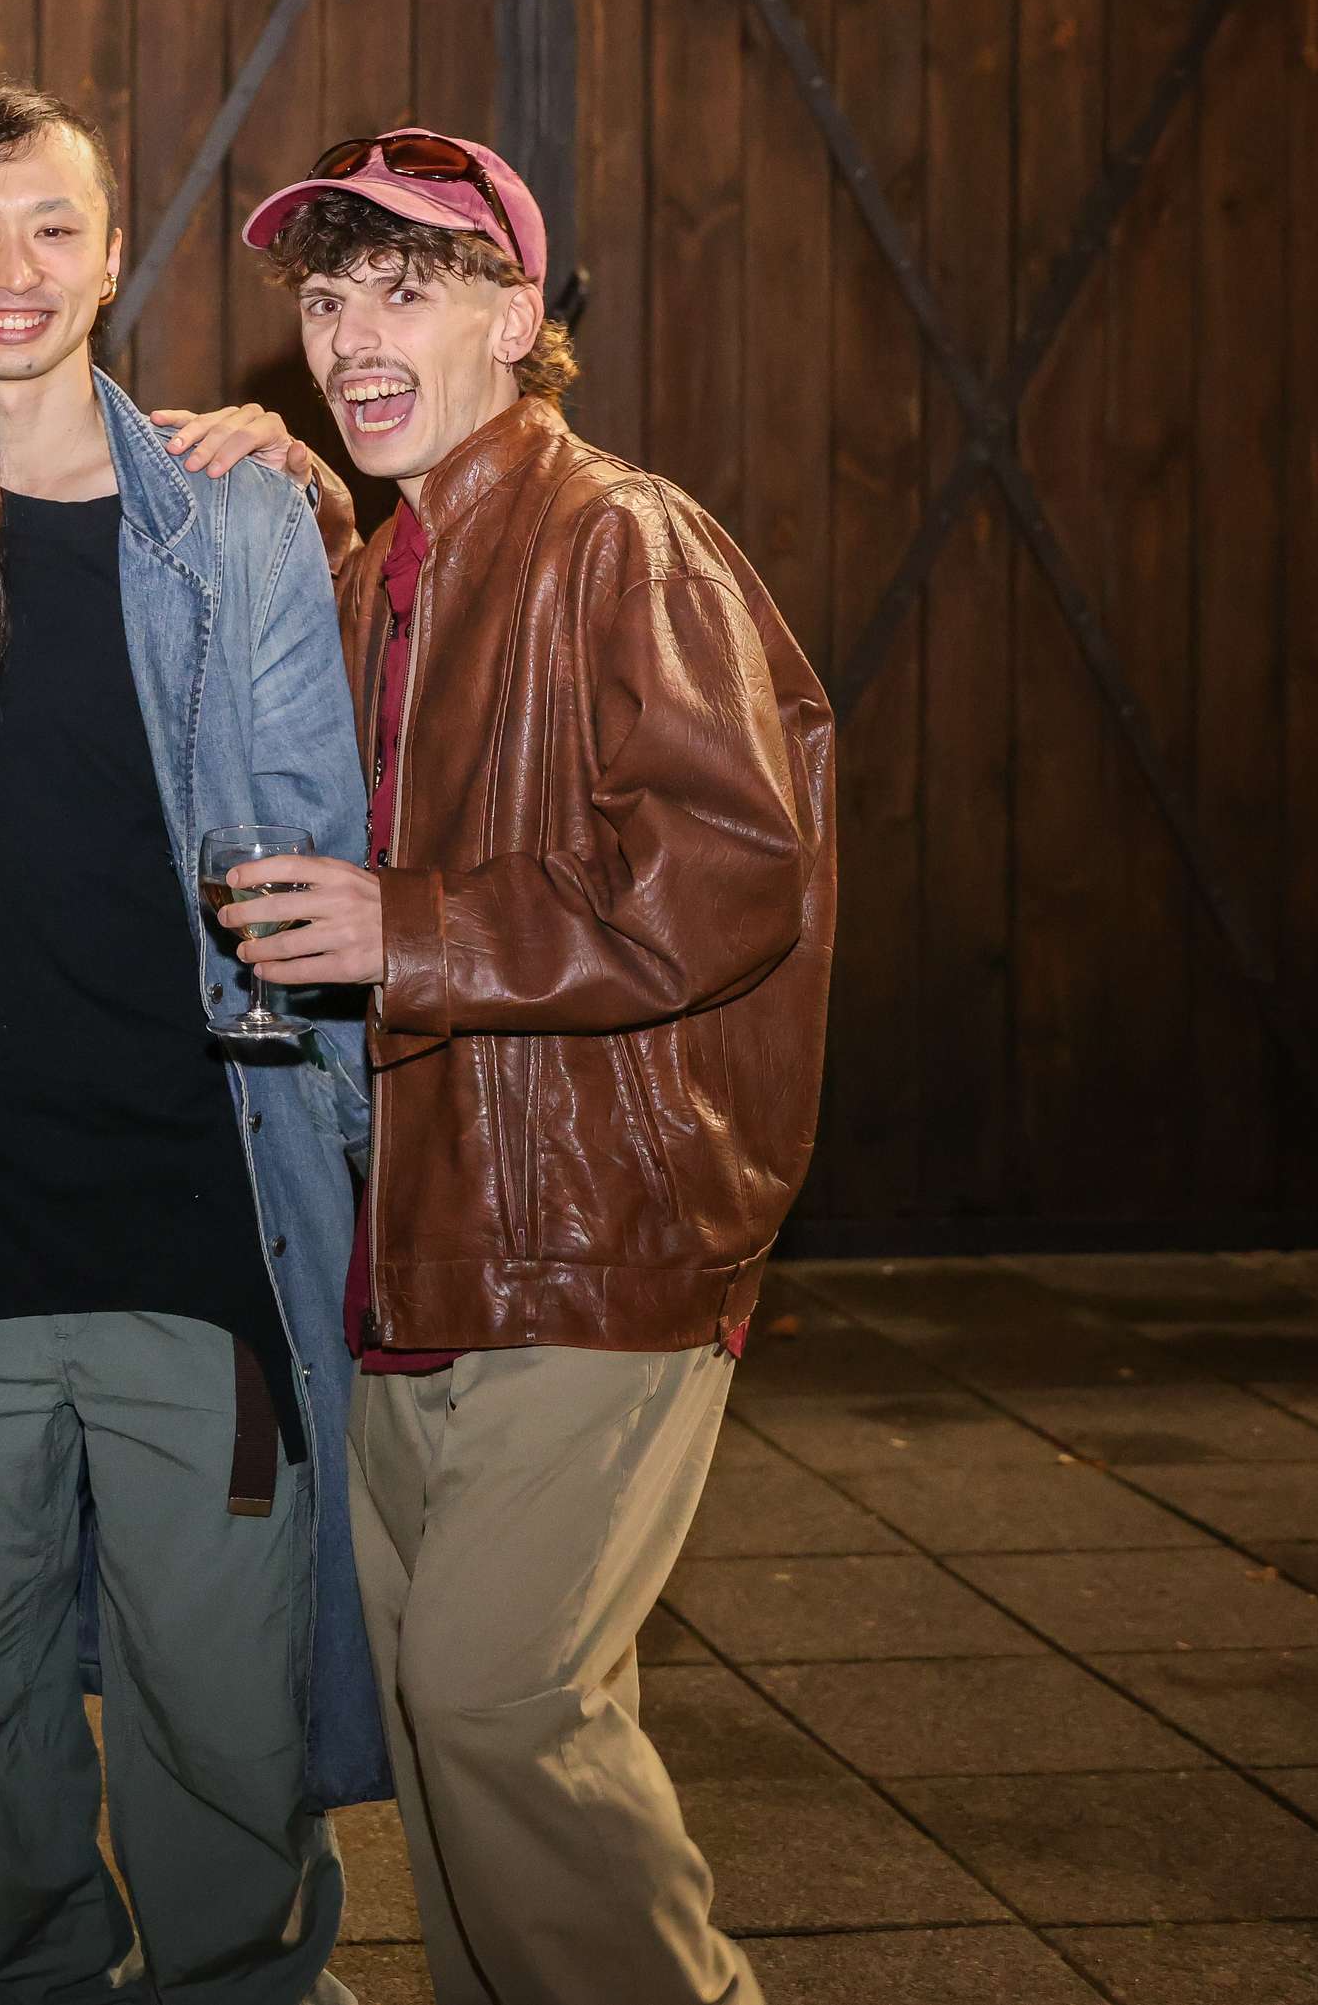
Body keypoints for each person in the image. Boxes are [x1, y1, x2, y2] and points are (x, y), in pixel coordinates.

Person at [221, 131, 835, 2005]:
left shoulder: (618, 537)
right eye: (330, 298)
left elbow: (728, 873)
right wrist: (301, 524)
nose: (354, 336)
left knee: (500, 1700)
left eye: (407, 288)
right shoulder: (393, 565)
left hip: (600, 1236)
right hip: (420, 1244)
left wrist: (410, 927)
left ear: (513, 317)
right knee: (451, 1726)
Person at [0, 84, 380, 2005]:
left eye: (53, 226)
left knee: (230, 1757)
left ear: (116, 255)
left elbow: (318, 860)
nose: (14, 269)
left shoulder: (234, 523)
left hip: (189, 1234)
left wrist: (373, 1180)